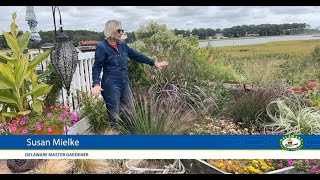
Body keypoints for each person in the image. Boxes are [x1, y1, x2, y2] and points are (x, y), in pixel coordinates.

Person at [91, 20, 168, 129]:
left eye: (122, 30)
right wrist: (96, 84)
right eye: (119, 30)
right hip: (111, 84)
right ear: (111, 30)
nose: (122, 32)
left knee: (131, 112)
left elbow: (136, 55)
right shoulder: (102, 47)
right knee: (114, 114)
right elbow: (97, 67)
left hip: (124, 82)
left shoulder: (122, 45)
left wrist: (154, 62)